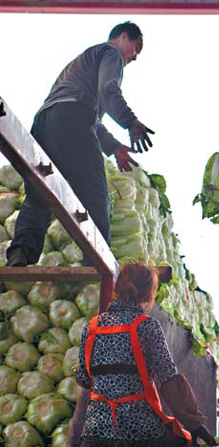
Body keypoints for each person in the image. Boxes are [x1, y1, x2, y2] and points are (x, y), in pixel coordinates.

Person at [73, 263, 216, 447]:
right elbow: (168, 378)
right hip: (139, 435)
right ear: (148, 296)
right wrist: (194, 424)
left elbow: (83, 377)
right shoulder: (146, 326)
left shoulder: (91, 327)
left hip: (96, 438)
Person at [7, 21, 154, 267]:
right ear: (123, 37)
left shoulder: (84, 62)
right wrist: (131, 122)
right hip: (72, 118)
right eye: (136, 48)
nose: (135, 56)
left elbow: (92, 120)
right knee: (95, 195)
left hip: (45, 122)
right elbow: (109, 91)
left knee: (40, 193)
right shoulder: (111, 54)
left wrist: (114, 147)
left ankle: (20, 254)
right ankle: (97, 265)